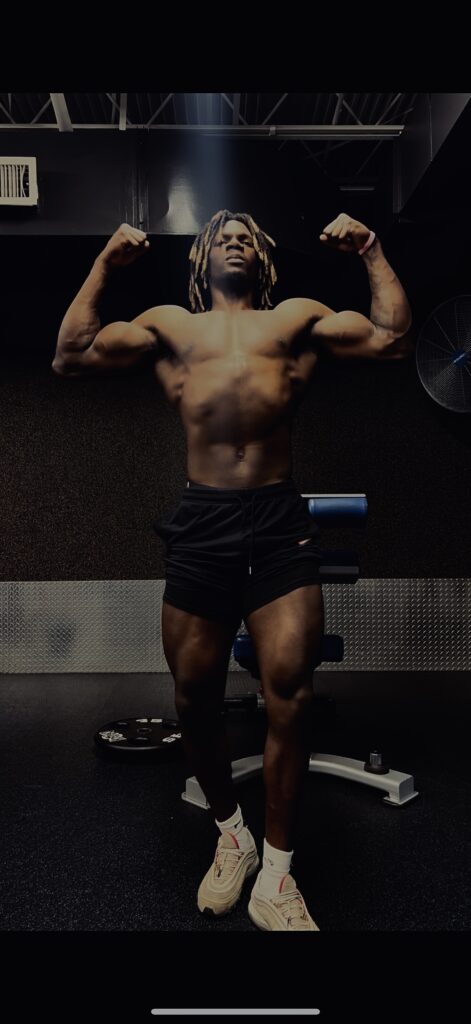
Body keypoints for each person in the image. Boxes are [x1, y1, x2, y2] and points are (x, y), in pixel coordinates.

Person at [52, 209, 412, 930]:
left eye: (247, 236)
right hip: (204, 523)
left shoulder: (295, 319)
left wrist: (370, 248)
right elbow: (71, 354)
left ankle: (276, 875)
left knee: (292, 697)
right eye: (223, 236)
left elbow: (393, 338)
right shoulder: (169, 326)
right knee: (193, 700)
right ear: (200, 259)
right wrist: (105, 264)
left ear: (264, 260)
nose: (236, 241)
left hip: (278, 524)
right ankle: (232, 835)